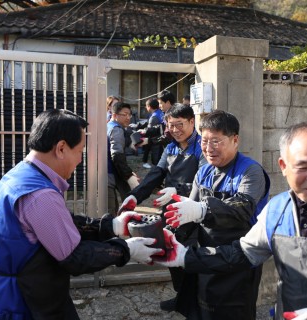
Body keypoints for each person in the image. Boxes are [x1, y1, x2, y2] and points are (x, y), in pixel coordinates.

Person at [0, 109, 163, 319]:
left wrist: (112, 226)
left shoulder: (19, 176)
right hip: (19, 302)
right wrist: (127, 250)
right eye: (80, 151)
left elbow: (57, 224)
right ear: (61, 148)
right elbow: (75, 257)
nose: (80, 160)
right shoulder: (40, 195)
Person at [154, 121, 307, 320]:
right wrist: (183, 256)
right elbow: (242, 252)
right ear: (283, 166)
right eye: (303, 167)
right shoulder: (277, 210)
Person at [162, 110, 271, 319]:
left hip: (238, 258)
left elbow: (243, 207)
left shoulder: (250, 171)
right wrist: (167, 233)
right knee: (204, 308)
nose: (208, 148)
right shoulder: (204, 172)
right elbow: (189, 210)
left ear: (235, 140)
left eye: (216, 141)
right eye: (204, 141)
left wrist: (203, 209)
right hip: (207, 255)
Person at [118, 103, 207, 311]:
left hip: (192, 211)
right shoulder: (170, 147)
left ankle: (194, 304)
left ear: (192, 122)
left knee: (189, 259)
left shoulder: (202, 147)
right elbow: (155, 175)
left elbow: (202, 182)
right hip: (170, 211)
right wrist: (134, 197)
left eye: (180, 125)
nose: (175, 130)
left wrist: (176, 189)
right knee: (170, 255)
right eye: (171, 125)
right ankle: (181, 298)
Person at [107, 102, 139, 215]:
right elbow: (117, 155)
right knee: (111, 211)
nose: (128, 117)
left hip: (109, 172)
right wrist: (128, 175)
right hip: (110, 174)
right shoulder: (116, 129)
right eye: (124, 114)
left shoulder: (109, 126)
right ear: (115, 115)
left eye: (129, 114)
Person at [138, 97, 165, 169]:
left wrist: (143, 131)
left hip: (156, 139)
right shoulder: (159, 112)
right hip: (161, 138)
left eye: (146, 106)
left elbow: (150, 130)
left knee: (156, 158)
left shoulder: (154, 117)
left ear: (149, 107)